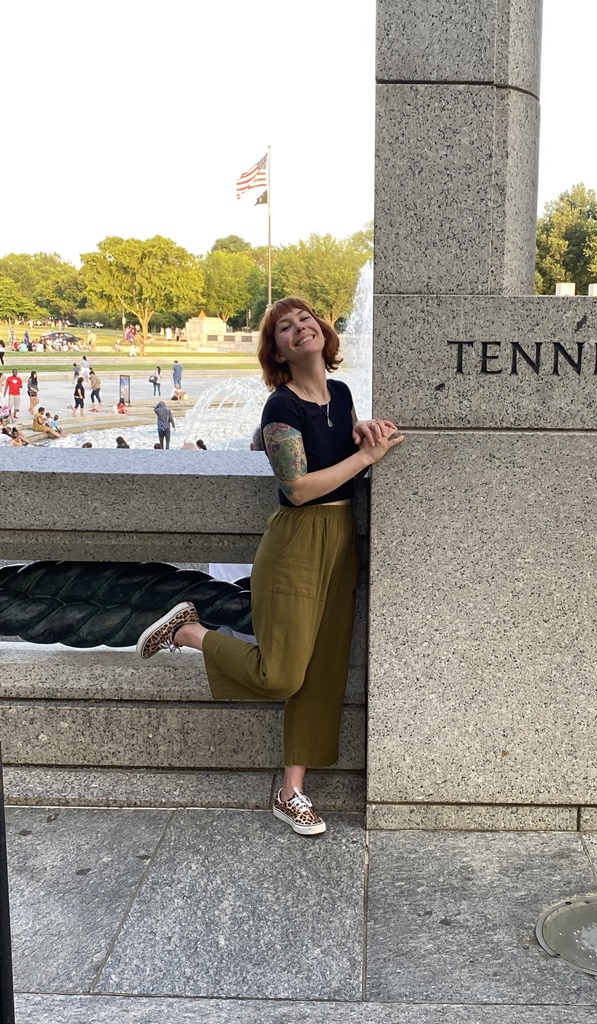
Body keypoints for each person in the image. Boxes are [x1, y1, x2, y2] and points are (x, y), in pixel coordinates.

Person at [136, 297, 404, 836]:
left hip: (342, 536)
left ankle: (291, 792)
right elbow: (298, 488)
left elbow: (335, 450)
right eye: (286, 327)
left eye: (306, 319)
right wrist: (366, 457)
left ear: (322, 331)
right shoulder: (280, 407)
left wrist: (362, 432)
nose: (300, 328)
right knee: (281, 672)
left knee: (322, 671)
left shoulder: (341, 394)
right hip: (297, 541)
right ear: (277, 351)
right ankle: (188, 631)